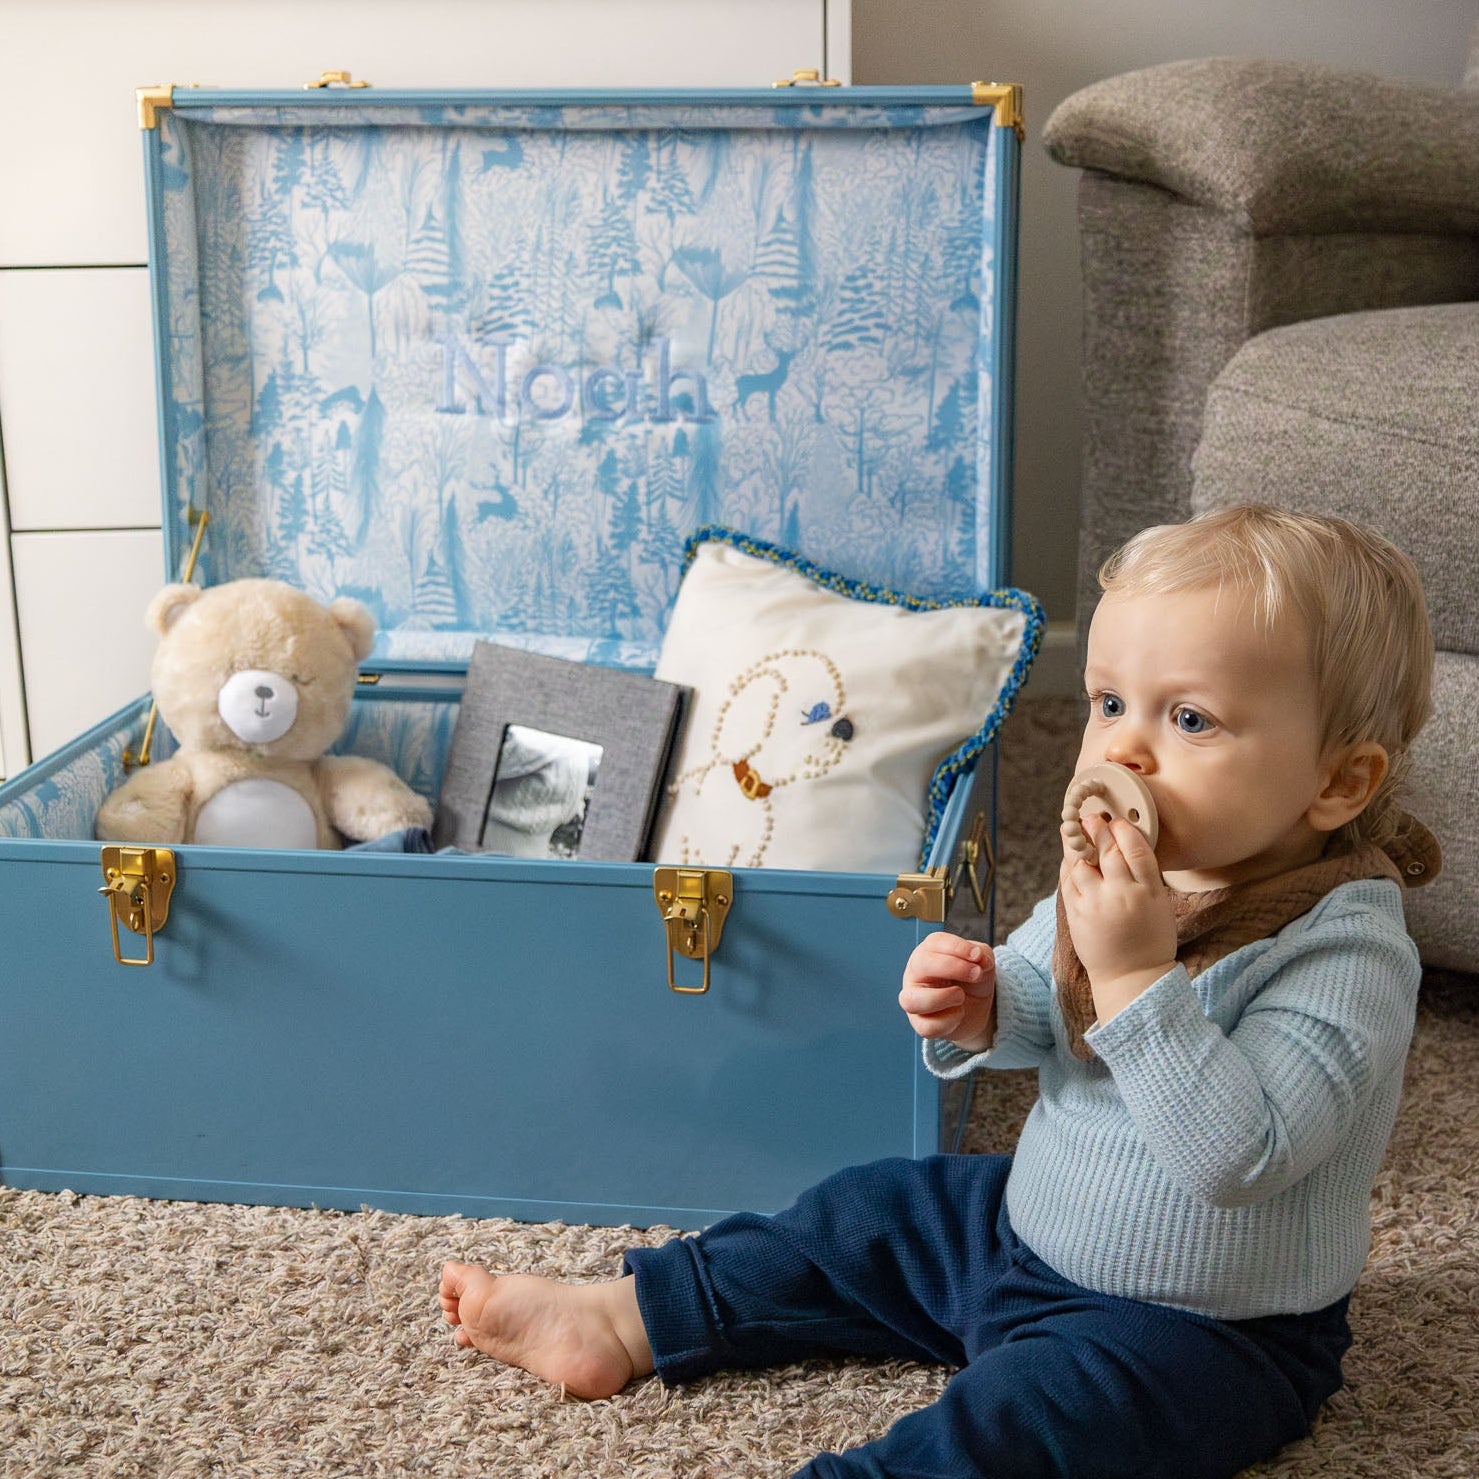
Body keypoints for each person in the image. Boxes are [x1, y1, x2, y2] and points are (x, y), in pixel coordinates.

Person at [439, 504, 1440, 1478]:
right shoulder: (1129, 872)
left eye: (1188, 718)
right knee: (870, 1211)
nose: (1123, 751)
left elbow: (1242, 1154)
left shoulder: (1347, 955)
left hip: (1203, 1330)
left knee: (1022, 1422)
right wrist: (984, 1004)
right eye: (1107, 704)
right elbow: (1049, 1004)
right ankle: (628, 1316)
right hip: (1021, 1232)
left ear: (1338, 784)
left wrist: (1135, 972)